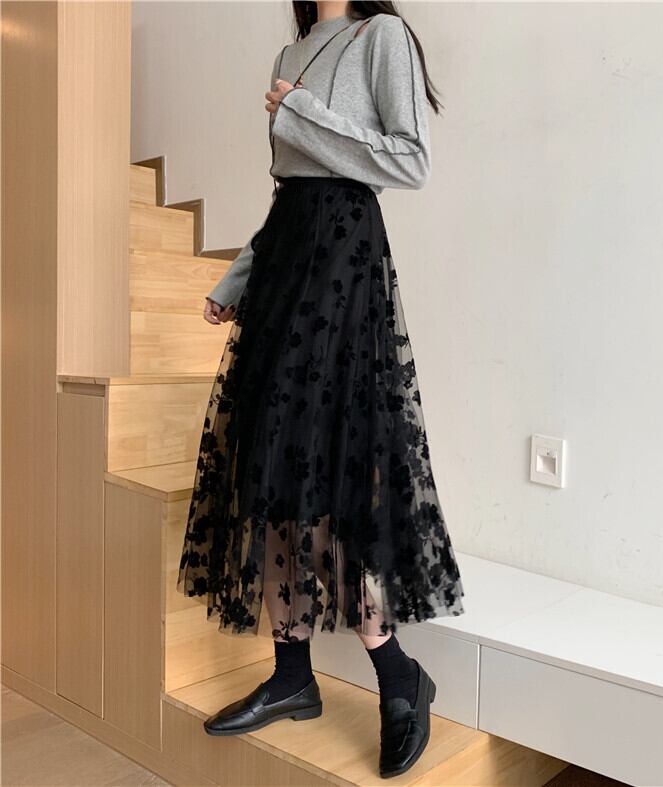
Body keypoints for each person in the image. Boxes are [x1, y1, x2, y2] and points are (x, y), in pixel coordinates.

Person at [176, 0, 465, 778]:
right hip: (287, 263)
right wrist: (238, 280)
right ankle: (291, 673)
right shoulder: (292, 51)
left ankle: (397, 672)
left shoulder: (380, 37)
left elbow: (410, 160)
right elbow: (288, 193)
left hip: (344, 263)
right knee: (268, 466)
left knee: (333, 472)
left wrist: (303, 112)